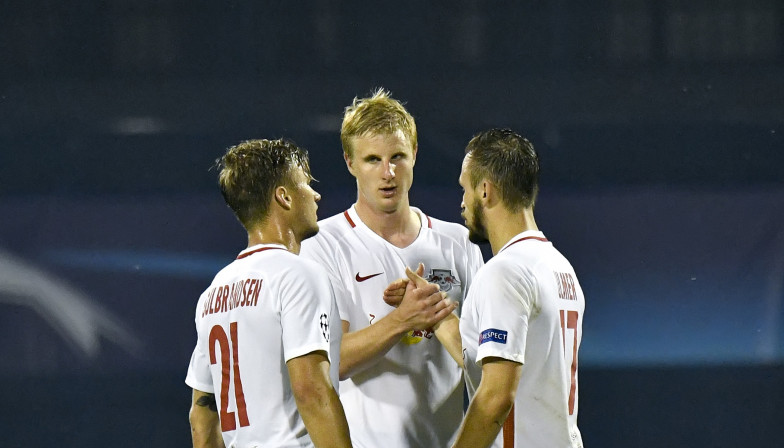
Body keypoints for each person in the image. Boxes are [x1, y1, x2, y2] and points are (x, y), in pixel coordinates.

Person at [299, 88, 485, 447]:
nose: (388, 173)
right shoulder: (323, 245)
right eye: (372, 160)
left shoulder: (458, 243)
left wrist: (437, 315)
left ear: (415, 153)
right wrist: (403, 319)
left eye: (398, 156)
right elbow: (328, 364)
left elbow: (486, 361)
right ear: (350, 163)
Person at [184, 139, 352, 448]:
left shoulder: (213, 293)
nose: (316, 195)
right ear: (284, 197)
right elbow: (311, 391)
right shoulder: (299, 275)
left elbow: (203, 414)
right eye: (306, 183)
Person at [422, 128, 585, 448]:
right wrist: (435, 311)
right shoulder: (560, 267)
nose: (462, 202)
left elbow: (495, 397)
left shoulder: (504, 272)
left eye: (465, 189)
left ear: (485, 191)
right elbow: (500, 357)